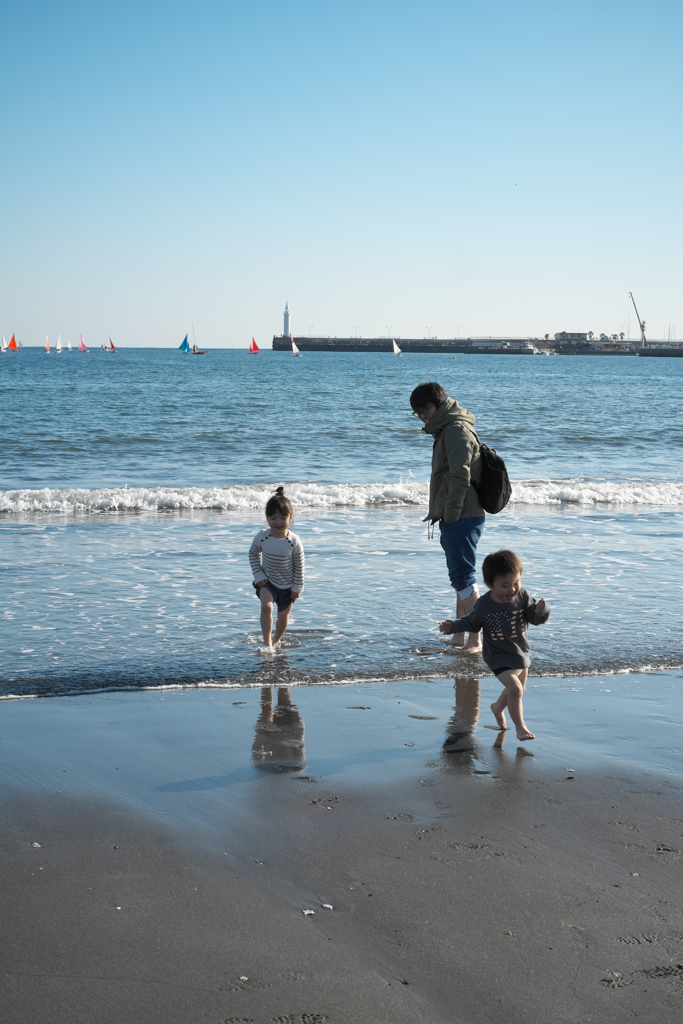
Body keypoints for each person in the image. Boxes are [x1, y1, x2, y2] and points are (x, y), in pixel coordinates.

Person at [438, 549, 550, 741]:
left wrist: (541, 610)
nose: (512, 589)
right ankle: (521, 727)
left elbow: (534, 618)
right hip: (497, 656)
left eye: (516, 583)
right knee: (516, 690)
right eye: (505, 585)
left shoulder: (522, 596)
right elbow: (471, 622)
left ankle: (498, 707)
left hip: (520, 653)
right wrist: (452, 626)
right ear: (490, 584)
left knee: (516, 690)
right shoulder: (484, 605)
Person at [410, 380, 485, 651]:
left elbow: (459, 478)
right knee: (460, 577)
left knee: (463, 577)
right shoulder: (447, 429)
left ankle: (476, 639)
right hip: (459, 514)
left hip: (462, 515)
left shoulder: (454, 431)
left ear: (439, 403)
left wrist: (450, 515)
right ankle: (459, 635)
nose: (422, 415)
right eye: (417, 412)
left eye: (426, 408)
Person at [248, 486, 305, 649]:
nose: (277, 522)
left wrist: (297, 587)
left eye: (282, 517)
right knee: (266, 608)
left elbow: (300, 566)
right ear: (267, 518)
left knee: (282, 618)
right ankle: (267, 645)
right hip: (268, 582)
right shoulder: (262, 536)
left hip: (288, 586)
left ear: (290, 517)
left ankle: (277, 640)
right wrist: (258, 575)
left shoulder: (294, 541)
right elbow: (252, 554)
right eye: (272, 517)